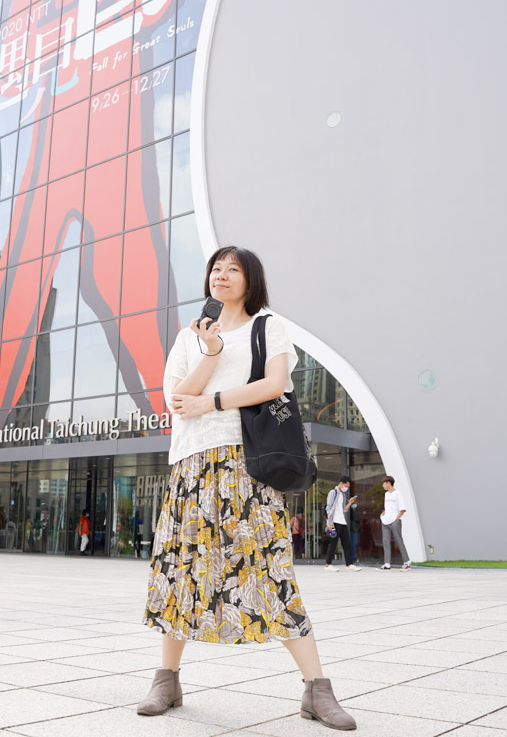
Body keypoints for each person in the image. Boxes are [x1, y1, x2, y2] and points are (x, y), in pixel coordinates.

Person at [140, 246, 355, 730]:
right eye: (216, 269)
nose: (222, 275)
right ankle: (166, 679)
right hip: (192, 465)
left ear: (250, 280)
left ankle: (317, 690)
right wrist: (211, 353)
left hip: (247, 465)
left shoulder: (267, 326)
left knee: (269, 566)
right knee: (181, 571)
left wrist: (212, 400)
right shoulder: (188, 337)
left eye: (233, 269)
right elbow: (177, 401)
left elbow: (275, 385)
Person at [323, 477, 360, 572]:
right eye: (346, 486)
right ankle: (328, 565)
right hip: (335, 521)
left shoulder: (343, 495)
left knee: (346, 543)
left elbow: (343, 509)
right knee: (333, 543)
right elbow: (328, 508)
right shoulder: (333, 492)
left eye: (347, 486)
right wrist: (329, 523)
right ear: (341, 483)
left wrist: (350, 503)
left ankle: (349, 564)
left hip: (342, 521)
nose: (346, 488)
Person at [380, 476, 411, 571]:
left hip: (394, 522)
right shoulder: (386, 494)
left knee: (399, 541)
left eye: (383, 483)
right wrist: (384, 513)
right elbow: (389, 507)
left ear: (388, 483)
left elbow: (403, 509)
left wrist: (396, 518)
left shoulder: (397, 494)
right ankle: (387, 564)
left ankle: (407, 562)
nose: (382, 485)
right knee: (385, 542)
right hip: (385, 522)